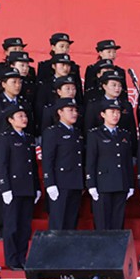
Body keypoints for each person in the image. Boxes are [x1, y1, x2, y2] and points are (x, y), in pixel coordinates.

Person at [0, 69, 31, 239]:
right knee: (1, 192)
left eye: (19, 82)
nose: (17, 85)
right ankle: (1, 229)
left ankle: (18, 230)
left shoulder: (24, 103)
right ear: (3, 84)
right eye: (13, 82)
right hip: (1, 152)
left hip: (19, 152)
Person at [0, 105, 40, 270]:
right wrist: (5, 188)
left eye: (25, 116)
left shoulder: (28, 138)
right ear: (10, 120)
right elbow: (3, 165)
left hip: (27, 187)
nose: (24, 119)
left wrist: (36, 187)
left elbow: (32, 165)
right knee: (12, 226)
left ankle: (22, 258)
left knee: (24, 226)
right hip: (13, 188)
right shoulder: (5, 138)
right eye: (20, 116)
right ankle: (11, 259)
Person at [85, 99, 135, 230]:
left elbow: (127, 161)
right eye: (112, 112)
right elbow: (91, 161)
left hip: (121, 183)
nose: (115, 115)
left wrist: (130, 184)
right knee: (102, 224)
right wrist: (91, 184)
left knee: (118, 224)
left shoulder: (124, 134)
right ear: (103, 114)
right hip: (103, 184)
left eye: (118, 112)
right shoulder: (95, 134)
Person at [42, 98, 85, 230]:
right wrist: (50, 183)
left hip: (75, 182)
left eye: (75, 110)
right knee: (58, 223)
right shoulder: (52, 132)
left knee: (71, 222)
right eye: (70, 110)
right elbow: (48, 159)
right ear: (60, 112)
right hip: (60, 183)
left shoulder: (77, 133)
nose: (74, 113)